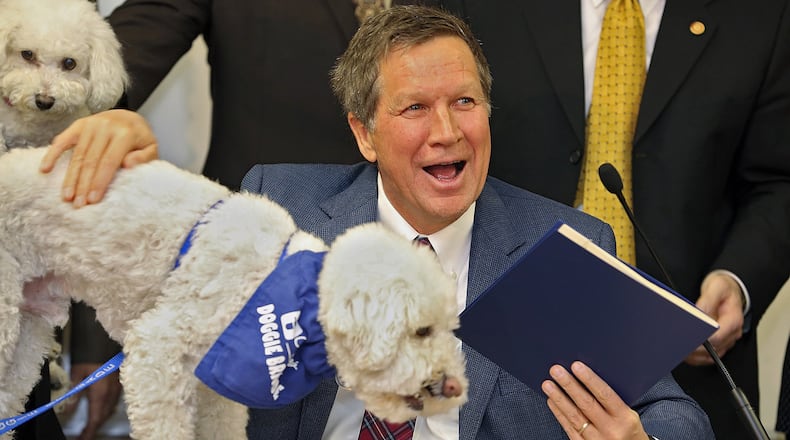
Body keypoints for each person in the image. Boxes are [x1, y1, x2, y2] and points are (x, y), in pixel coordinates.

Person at [238, 6, 714, 439]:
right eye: (416, 107)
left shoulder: (557, 246)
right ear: (365, 133)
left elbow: (673, 414)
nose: (447, 133)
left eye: (465, 102)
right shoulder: (281, 210)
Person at [437, 1, 790, 438]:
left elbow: (778, 180)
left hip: (689, 359)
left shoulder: (763, 15)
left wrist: (737, 278)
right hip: (501, 353)